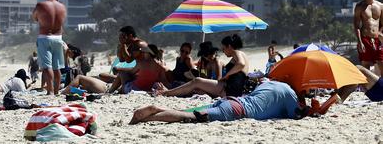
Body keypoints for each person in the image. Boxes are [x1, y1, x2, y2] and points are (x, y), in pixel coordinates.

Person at [130, 80, 303, 124]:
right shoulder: (290, 94)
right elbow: (296, 114)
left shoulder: (270, 83)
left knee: (191, 109)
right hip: (236, 110)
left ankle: (159, 109)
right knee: (189, 116)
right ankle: (151, 115)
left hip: (229, 101)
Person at [155, 34, 249, 98]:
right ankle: (168, 92)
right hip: (230, 89)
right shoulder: (238, 55)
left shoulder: (237, 52)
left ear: (229, 46)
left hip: (229, 89)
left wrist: (227, 75)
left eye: (224, 48)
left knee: (197, 81)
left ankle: (166, 93)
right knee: (197, 87)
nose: (223, 51)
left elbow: (241, 64)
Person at [32, 0, 67, 95]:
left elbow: (34, 18)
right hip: (58, 38)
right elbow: (61, 22)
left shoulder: (41, 5)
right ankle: (56, 91)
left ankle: (50, 91)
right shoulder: (62, 7)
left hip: (45, 37)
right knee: (57, 68)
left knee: (47, 67)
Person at [353, 0, 383, 72]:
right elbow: (356, 25)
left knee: (382, 63)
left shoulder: (380, 6)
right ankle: (365, 86)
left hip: (378, 40)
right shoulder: (359, 7)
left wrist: (380, 34)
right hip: (365, 39)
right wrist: (359, 42)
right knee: (366, 67)